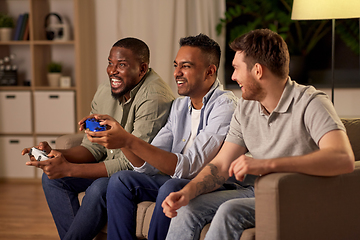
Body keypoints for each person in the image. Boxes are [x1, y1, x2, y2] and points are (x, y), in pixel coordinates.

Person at [162, 29, 355, 240]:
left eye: (236, 68)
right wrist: (187, 192)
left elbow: (342, 158)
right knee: (188, 208)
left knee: (230, 212)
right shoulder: (245, 108)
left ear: (258, 71)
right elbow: (221, 165)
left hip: (302, 195)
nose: (233, 77)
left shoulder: (311, 102)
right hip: (262, 192)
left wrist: (267, 165)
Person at [84, 33, 239, 240]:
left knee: (171, 185)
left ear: (209, 71)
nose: (177, 73)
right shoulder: (179, 106)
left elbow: (190, 166)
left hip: (210, 183)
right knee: (121, 180)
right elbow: (148, 165)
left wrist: (127, 140)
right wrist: (120, 140)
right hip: (174, 179)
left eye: (186, 66)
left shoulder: (225, 105)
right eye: (176, 65)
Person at [21, 37, 174, 240]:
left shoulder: (154, 97)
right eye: (110, 63)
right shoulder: (105, 90)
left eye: (122, 65)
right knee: (53, 180)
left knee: (100, 187)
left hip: (141, 176)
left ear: (142, 68)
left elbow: (134, 164)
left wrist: (69, 168)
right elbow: (93, 149)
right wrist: (57, 154)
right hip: (112, 170)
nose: (112, 71)